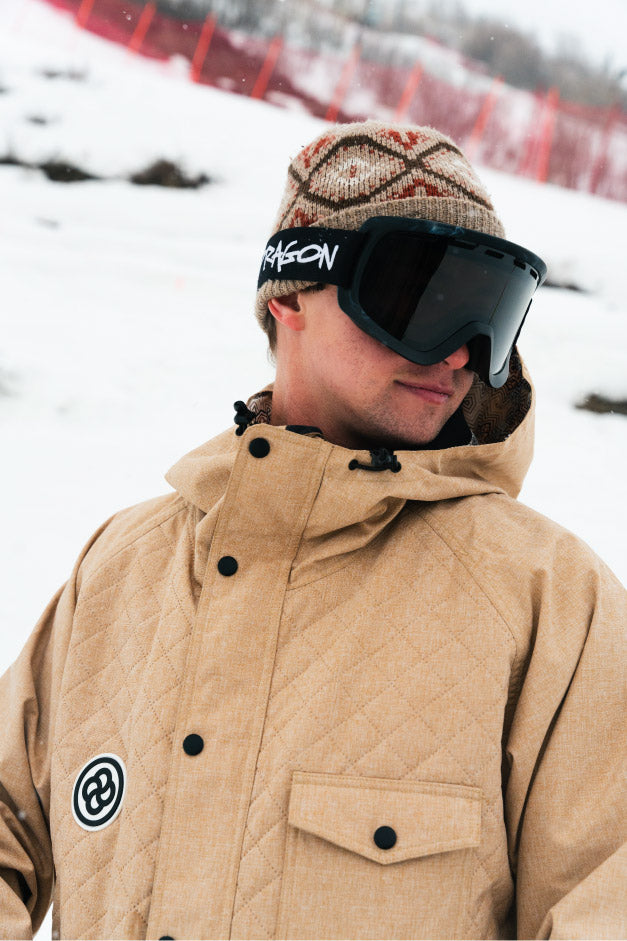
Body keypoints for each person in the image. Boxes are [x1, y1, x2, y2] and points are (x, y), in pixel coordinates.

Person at [0, 120, 625, 941]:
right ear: (290, 291)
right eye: (421, 296)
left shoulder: (547, 598)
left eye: (487, 314)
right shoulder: (125, 567)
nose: (458, 354)